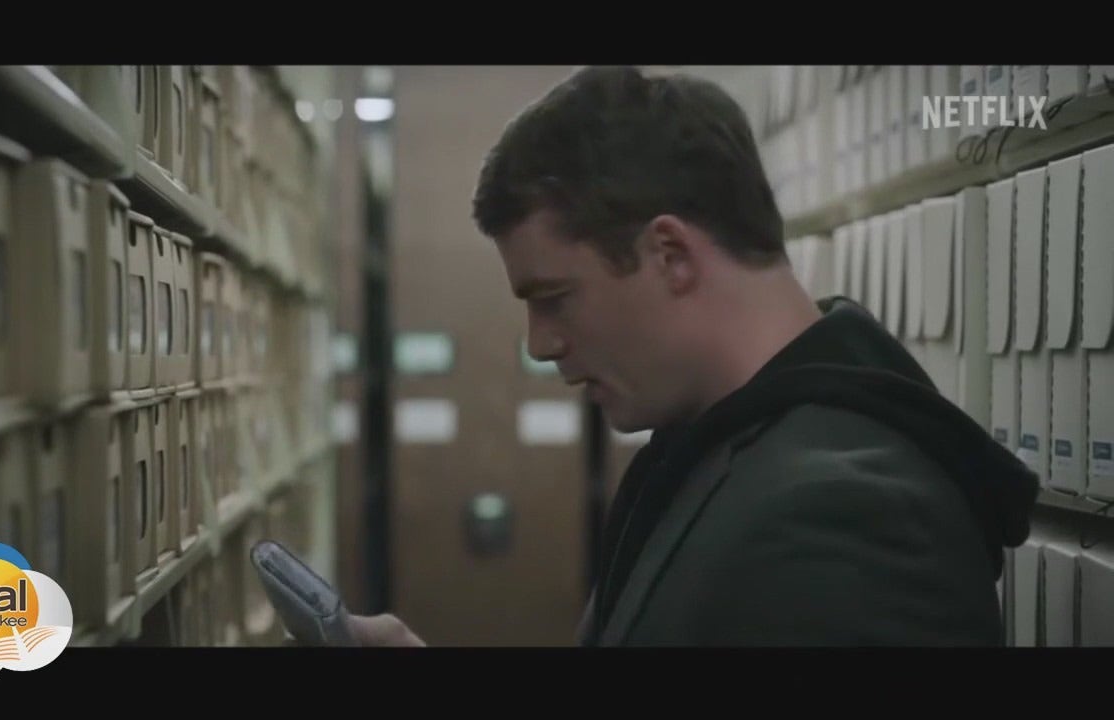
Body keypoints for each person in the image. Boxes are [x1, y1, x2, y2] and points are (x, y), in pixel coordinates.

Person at [344, 65, 1039, 647]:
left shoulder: (849, 521)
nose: (540, 343)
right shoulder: (717, 447)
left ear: (671, 255)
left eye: (554, 298)